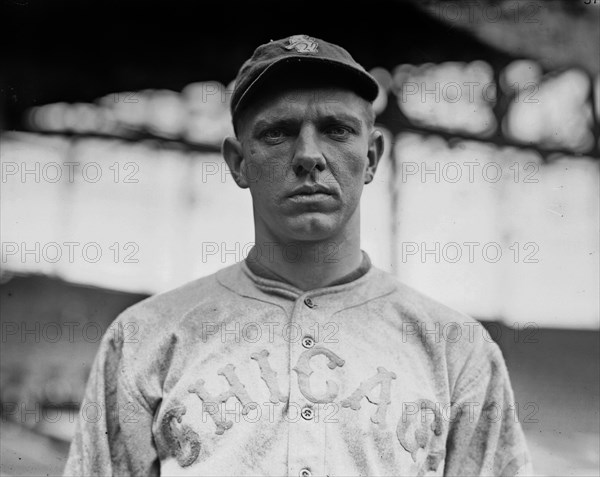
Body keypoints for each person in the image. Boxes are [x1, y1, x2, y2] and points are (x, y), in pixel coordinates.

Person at [64, 34, 533, 476]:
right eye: (278, 133)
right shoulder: (144, 338)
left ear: (371, 158)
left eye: (336, 130)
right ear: (238, 162)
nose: (309, 155)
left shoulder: (458, 350)